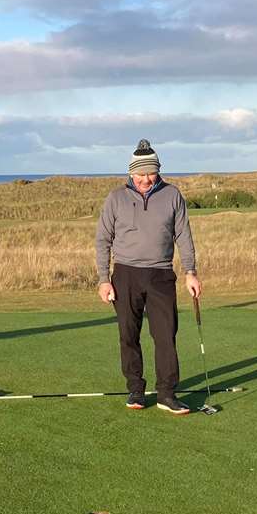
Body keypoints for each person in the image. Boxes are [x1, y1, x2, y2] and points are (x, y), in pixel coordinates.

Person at [96, 139, 202, 414]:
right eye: (140, 174)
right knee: (129, 334)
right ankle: (136, 388)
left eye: (150, 173)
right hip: (125, 275)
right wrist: (103, 279)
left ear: (158, 171)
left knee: (165, 335)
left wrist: (191, 272)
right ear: (131, 172)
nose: (145, 179)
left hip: (161, 274)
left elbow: (184, 236)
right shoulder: (116, 198)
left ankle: (167, 393)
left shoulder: (172, 195)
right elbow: (103, 241)